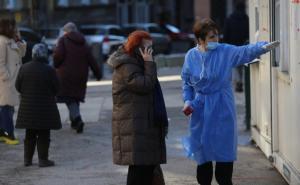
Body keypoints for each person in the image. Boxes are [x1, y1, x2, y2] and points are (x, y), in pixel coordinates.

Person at [181, 18, 279, 185]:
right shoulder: (191, 56)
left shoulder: (224, 51)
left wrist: (262, 47)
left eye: (217, 36)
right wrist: (187, 100)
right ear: (200, 40)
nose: (216, 40)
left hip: (222, 106)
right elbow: (186, 81)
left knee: (224, 161)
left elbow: (243, 51)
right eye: (211, 37)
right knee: (203, 161)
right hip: (201, 108)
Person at [107, 30, 168, 185]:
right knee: (139, 170)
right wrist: (149, 63)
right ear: (137, 47)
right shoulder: (127, 65)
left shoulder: (136, 62)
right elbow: (145, 84)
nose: (150, 51)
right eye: (147, 48)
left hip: (142, 123)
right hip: (134, 125)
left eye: (151, 48)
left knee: (145, 168)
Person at [15, 43, 61, 167]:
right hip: (45, 109)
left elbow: (17, 87)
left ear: (33, 54)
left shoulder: (24, 68)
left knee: (29, 134)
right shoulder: (49, 69)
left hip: (27, 109)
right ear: (45, 54)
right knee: (44, 134)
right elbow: (56, 88)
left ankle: (27, 160)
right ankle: (43, 160)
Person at [53, 22, 101, 133]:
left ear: (66, 31)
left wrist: (55, 64)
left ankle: (77, 120)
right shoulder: (83, 42)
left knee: (70, 99)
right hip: (81, 75)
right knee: (74, 97)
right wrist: (98, 74)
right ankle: (74, 122)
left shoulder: (63, 40)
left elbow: (58, 55)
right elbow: (91, 60)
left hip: (66, 75)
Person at [0, 17, 26, 145]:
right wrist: (7, 77)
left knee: (8, 107)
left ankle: (2, 132)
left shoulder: (10, 40)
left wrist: (19, 40)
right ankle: (9, 135)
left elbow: (22, 54)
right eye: (12, 26)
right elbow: (0, 63)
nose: (14, 29)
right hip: (6, 81)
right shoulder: (1, 41)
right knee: (6, 107)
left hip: (14, 80)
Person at [223, 1, 249, 92]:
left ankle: (238, 82)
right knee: (241, 65)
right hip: (243, 45)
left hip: (232, 45)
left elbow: (226, 33)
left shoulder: (230, 19)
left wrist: (225, 44)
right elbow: (248, 32)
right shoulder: (246, 18)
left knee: (234, 65)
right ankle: (241, 81)